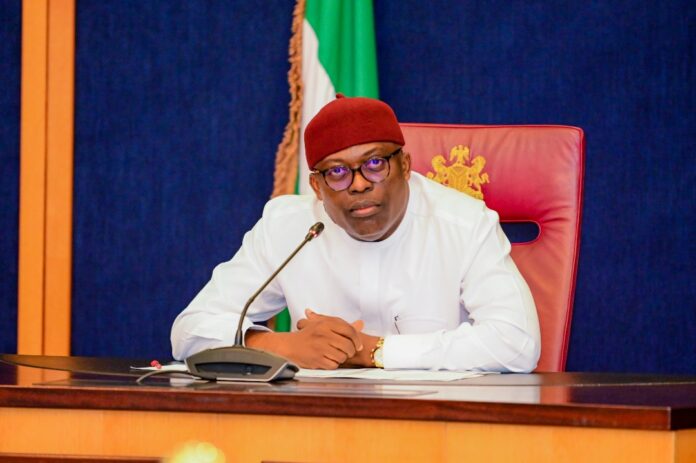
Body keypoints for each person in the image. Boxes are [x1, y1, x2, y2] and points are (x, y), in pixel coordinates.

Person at [171, 95, 540, 372]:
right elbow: (189, 331)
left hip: (438, 427)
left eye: (375, 164)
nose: (359, 184)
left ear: (405, 166)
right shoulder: (289, 227)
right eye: (337, 172)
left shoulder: (464, 224)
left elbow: (518, 344)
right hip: (322, 428)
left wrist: (371, 350)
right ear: (317, 188)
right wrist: (283, 346)